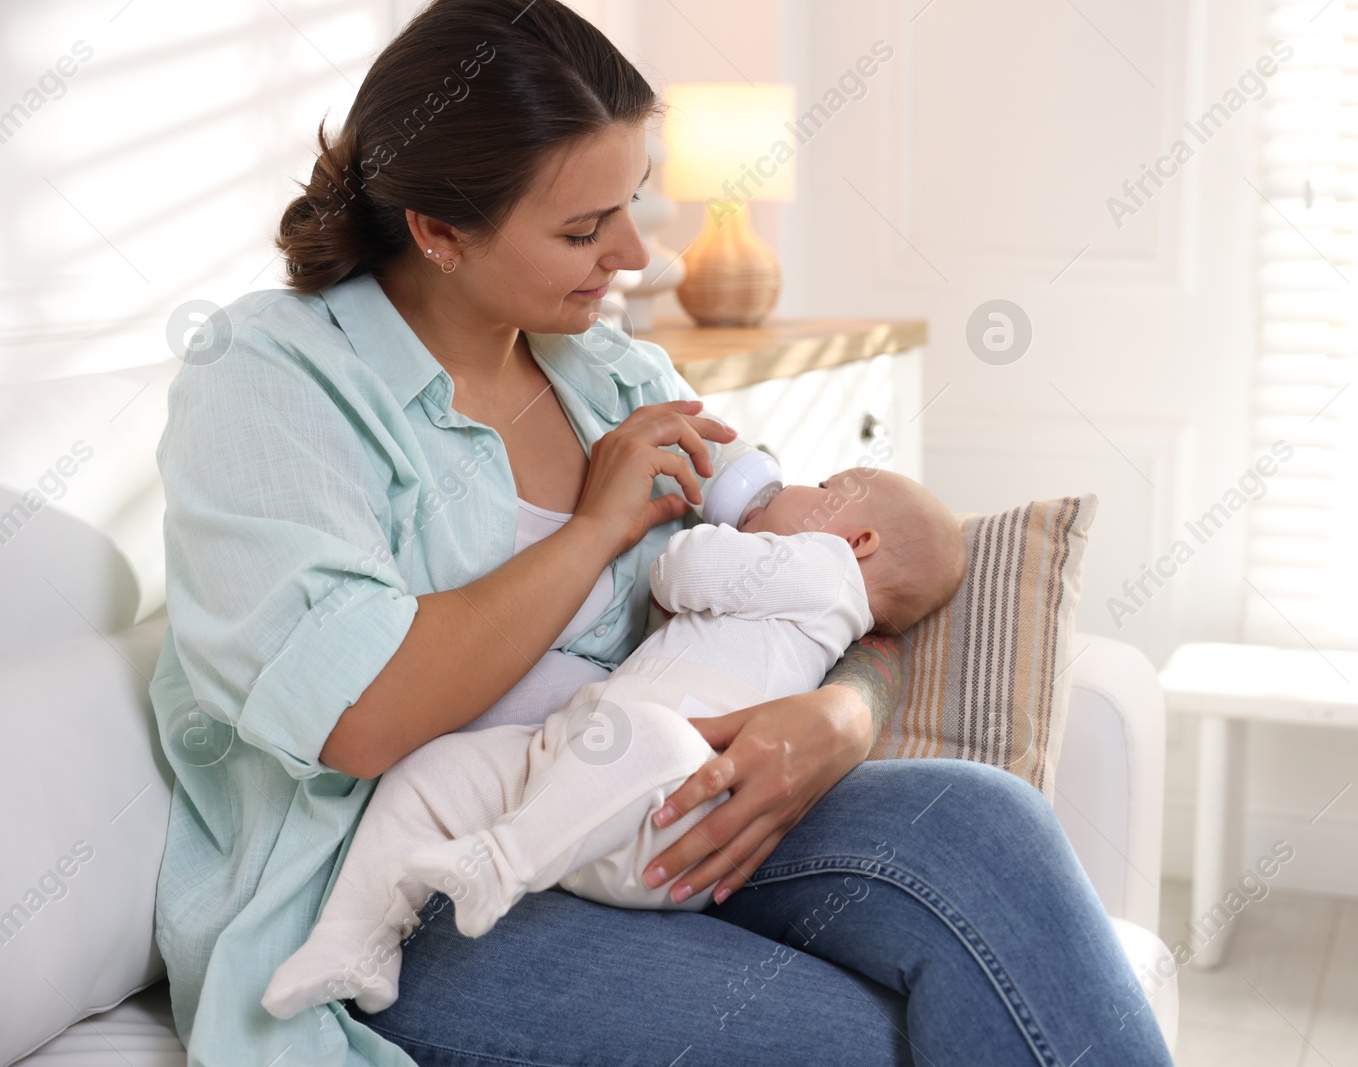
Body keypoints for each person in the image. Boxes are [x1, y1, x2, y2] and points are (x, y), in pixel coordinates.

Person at [150, 0, 1175, 1063]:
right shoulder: (273, 377)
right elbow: (360, 719)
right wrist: (593, 529)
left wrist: (838, 714)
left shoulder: (612, 369)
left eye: (630, 202)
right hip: (421, 881)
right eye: (583, 229)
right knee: (854, 1042)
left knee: (986, 825)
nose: (634, 254)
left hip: (657, 798)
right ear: (440, 230)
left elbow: (814, 565)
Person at [260, 469, 968, 1019]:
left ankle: (497, 862)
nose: (794, 486)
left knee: (659, 737)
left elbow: (681, 570)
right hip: (580, 766)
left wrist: (722, 537)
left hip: (666, 809)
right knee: (434, 769)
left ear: (858, 541)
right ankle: (354, 942)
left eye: (825, 486)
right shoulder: (816, 585)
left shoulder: (819, 565)